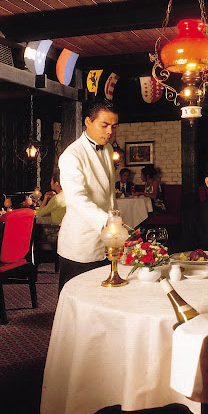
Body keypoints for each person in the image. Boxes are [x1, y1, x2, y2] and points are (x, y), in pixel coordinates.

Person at [56, 99, 119, 294]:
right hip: (80, 242)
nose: (110, 131)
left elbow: (108, 194)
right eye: (104, 125)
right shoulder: (71, 155)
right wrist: (108, 221)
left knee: (103, 297)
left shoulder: (108, 149)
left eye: (114, 126)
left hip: (105, 241)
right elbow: (77, 199)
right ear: (88, 122)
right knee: (74, 298)